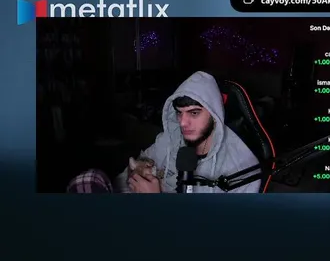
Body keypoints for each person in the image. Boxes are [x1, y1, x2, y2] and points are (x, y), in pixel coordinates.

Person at [66, 71, 261, 194]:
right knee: (89, 180)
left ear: (215, 114)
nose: (182, 122)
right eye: (179, 113)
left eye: (194, 113)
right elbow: (131, 172)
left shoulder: (241, 167)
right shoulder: (170, 140)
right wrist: (135, 176)